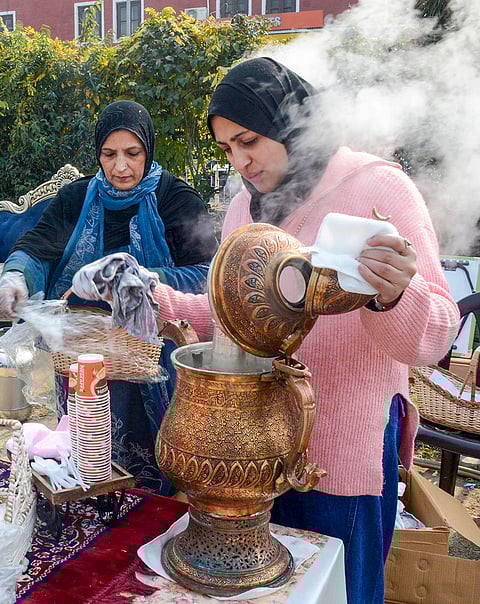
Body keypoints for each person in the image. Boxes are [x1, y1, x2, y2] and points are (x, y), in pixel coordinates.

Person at [73, 59, 459, 602]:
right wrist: (146, 294)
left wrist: (396, 293)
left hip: (343, 453)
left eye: (249, 141)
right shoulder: (242, 211)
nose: (241, 161)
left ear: (289, 122)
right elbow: (229, 310)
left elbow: (437, 335)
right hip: (252, 458)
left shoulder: (378, 188)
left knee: (340, 589)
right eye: (228, 149)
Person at [0, 100, 218, 494]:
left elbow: (206, 277)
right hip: (82, 351)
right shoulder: (76, 198)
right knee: (86, 449)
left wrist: (138, 281)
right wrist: (15, 277)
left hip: (155, 354)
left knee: (151, 461)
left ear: (148, 151)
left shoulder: (175, 200)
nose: (120, 167)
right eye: (109, 154)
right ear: (97, 153)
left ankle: (152, 505)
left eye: (132, 154)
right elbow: (37, 249)